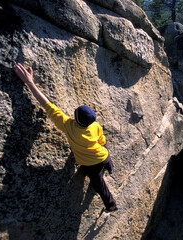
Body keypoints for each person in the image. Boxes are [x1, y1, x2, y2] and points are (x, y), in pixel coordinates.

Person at [13, 63, 118, 212]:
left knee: (99, 183)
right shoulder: (95, 126)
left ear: (75, 119)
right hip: (103, 155)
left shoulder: (68, 126)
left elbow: (46, 104)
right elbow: (102, 141)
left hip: (90, 164)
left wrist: (30, 83)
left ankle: (111, 205)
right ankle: (110, 167)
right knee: (105, 156)